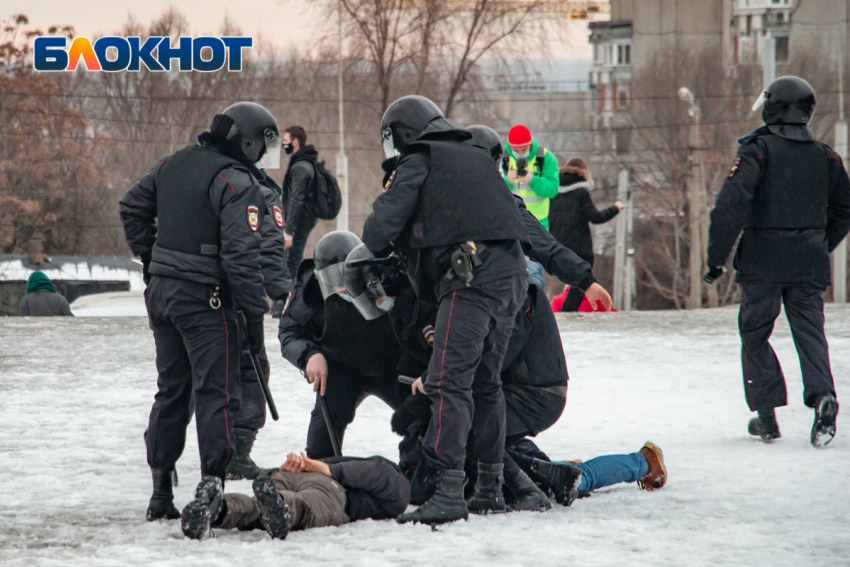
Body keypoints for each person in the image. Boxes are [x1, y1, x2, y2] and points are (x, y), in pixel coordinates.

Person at [361, 96, 546, 526]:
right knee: (485, 384)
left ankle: (448, 490)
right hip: (512, 277)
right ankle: (489, 487)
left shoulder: (419, 159)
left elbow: (376, 231)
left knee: (448, 383)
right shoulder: (477, 156)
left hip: (470, 281)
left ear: (403, 134)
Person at [119, 102, 277, 533]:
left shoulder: (172, 163)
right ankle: (213, 485)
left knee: (172, 390)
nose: (263, 155)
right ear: (247, 141)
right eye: (262, 145)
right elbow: (243, 259)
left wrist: (155, 259)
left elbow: (131, 208)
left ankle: (160, 492)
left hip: (163, 295)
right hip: (205, 300)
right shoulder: (236, 181)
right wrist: (254, 318)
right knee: (216, 392)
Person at [705, 76, 850, 447]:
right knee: (810, 333)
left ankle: (766, 416)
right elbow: (844, 210)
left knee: (755, 333)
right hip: (809, 260)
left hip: (763, 260)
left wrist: (716, 259)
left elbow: (730, 205)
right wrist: (819, 243)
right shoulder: (827, 155)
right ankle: (824, 397)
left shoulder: (757, 151)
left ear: (774, 107)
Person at [277, 231, 407, 459]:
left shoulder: (389, 275)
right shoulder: (306, 289)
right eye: (331, 279)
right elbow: (289, 331)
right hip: (342, 366)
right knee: (319, 446)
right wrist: (310, 355)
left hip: (393, 366)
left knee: (423, 420)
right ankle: (325, 479)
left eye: (345, 277)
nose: (340, 288)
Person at [225, 169, 292, 481]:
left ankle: (163, 453)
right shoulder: (262, 191)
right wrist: (281, 290)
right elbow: (268, 245)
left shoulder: (211, 179)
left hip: (193, 293)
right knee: (252, 369)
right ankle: (238, 453)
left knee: (192, 377)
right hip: (239, 296)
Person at [191, 451, 409, 540]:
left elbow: (388, 481)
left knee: (257, 506)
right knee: (303, 506)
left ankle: (220, 510)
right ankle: (279, 508)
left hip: (299, 479)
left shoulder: (386, 476)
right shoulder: (387, 471)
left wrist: (280, 471)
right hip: (328, 486)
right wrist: (329, 470)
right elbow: (387, 478)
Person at [549, 158, 624, 312]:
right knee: (583, 278)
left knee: (577, 281)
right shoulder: (581, 192)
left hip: (557, 245)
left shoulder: (553, 190)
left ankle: (566, 316)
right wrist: (615, 208)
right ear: (584, 174)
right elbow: (596, 217)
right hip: (578, 245)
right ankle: (567, 316)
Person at [507, 438, 667, 506]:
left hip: (517, 462)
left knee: (585, 476)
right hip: (511, 458)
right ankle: (565, 467)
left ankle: (645, 463)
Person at [501, 124, 560, 290]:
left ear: (530, 144)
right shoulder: (502, 159)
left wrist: (533, 180)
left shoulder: (545, 158)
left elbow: (553, 189)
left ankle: (535, 310)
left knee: (533, 272)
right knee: (509, 272)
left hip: (537, 223)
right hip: (510, 223)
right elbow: (491, 190)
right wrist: (507, 181)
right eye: (516, 150)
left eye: (523, 149)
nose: (520, 154)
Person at [281, 125, 319, 278]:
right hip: (301, 220)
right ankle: (289, 297)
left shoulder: (300, 167)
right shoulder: (303, 163)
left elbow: (296, 199)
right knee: (292, 260)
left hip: (299, 222)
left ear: (295, 142)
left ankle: (289, 299)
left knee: (292, 262)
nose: (284, 144)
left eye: (285, 141)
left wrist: (289, 231)